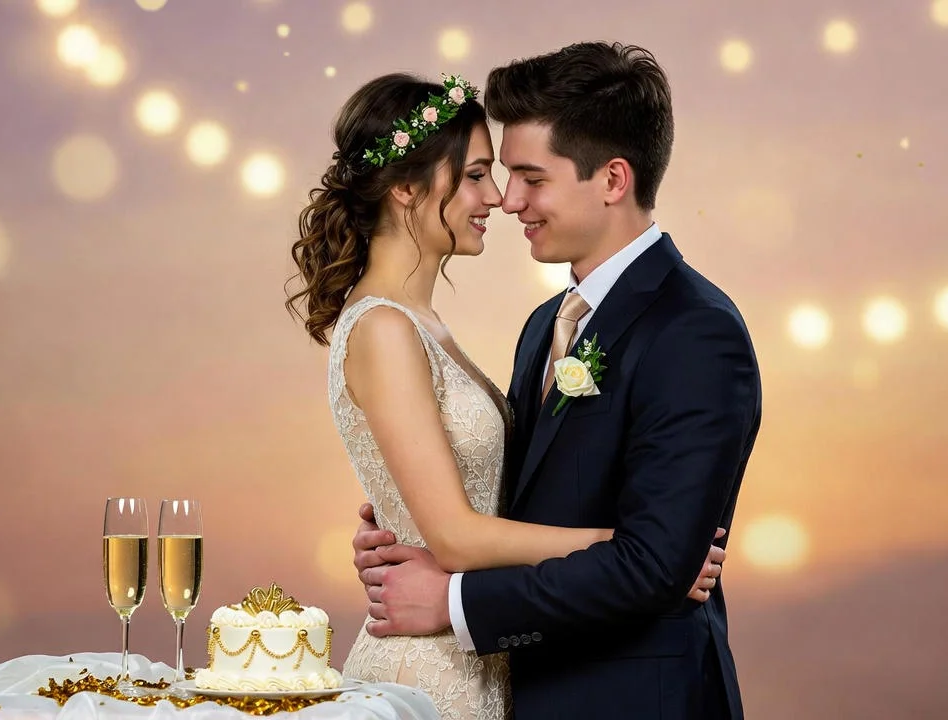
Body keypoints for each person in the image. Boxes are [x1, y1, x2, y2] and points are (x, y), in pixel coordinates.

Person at [285, 70, 728, 720]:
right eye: (476, 175)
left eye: (522, 176)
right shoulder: (386, 328)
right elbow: (457, 535)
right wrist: (638, 550)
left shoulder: (677, 327)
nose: (500, 197)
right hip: (430, 670)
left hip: (505, 664)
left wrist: (656, 555)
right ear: (405, 187)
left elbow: (493, 498)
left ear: (613, 180)